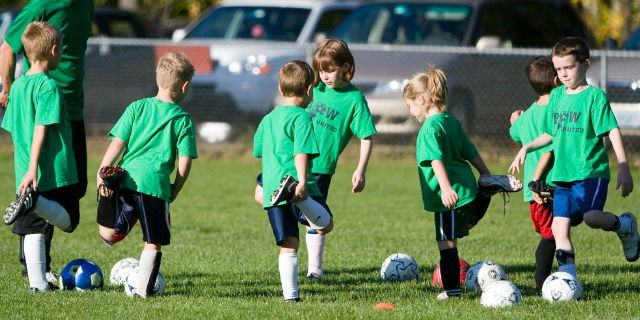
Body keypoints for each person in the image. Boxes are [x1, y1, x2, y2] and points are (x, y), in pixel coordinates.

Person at [509, 37, 638, 280]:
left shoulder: (594, 97)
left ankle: (625, 225)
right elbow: (550, 133)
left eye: (569, 67)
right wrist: (527, 147)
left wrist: (623, 167)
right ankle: (568, 279)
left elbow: (611, 129)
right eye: (559, 69)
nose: (564, 74)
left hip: (590, 172)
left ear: (586, 64)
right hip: (561, 176)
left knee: (591, 218)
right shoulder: (557, 96)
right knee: (559, 227)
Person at [254, 39, 376, 280]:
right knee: (260, 194)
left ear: (346, 66)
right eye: (321, 70)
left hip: (319, 168)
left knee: (314, 222)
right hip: (285, 164)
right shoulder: (313, 89)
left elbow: (367, 135)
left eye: (330, 69)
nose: (325, 75)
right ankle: (294, 202)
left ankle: (315, 270)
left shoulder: (354, 99)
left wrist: (360, 169)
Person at [404, 67, 522, 300]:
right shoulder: (450, 121)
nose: (410, 111)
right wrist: (485, 174)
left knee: (446, 243)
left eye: (410, 106)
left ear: (420, 99)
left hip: (448, 195)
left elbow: (435, 159)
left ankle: (452, 291)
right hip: (468, 187)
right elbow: (470, 151)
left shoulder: (429, 128)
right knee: (468, 220)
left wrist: (445, 188)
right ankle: (486, 190)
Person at [0, 0, 94, 281]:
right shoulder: (42, 5)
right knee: (47, 191)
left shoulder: (87, 5)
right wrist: (8, 90)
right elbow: (7, 48)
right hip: (47, 102)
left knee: (73, 189)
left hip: (72, 111)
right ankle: (36, 267)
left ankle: (37, 270)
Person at [95, 52, 198, 298]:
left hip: (126, 180)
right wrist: (176, 187)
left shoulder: (137, 106)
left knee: (108, 234)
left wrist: (102, 172)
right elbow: (184, 162)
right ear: (184, 86)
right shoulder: (182, 119)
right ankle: (142, 291)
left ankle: (107, 203)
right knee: (152, 242)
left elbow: (117, 144)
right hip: (155, 187)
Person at [253, 60, 334, 302]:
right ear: (310, 90)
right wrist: (300, 182)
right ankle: (300, 202)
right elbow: (301, 152)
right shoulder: (302, 117)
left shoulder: (268, 119)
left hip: (273, 185)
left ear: (280, 88)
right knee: (325, 225)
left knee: (289, 244)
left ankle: (291, 297)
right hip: (300, 184)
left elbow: (259, 150)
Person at [508, 56, 558, 290]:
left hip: (532, 190)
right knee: (552, 234)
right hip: (546, 186)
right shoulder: (556, 110)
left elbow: (515, 134)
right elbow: (549, 148)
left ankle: (562, 274)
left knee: (550, 231)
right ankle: (542, 281)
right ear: (556, 80)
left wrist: (514, 120)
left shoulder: (527, 113)